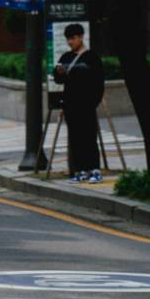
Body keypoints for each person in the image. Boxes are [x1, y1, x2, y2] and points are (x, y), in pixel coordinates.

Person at [52, 22, 105, 183]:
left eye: (73, 38)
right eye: (68, 39)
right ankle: (80, 170)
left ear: (81, 37)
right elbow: (59, 80)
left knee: (89, 137)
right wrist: (58, 72)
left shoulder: (92, 58)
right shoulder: (66, 57)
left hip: (87, 105)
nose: (70, 42)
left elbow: (99, 83)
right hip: (70, 105)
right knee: (75, 139)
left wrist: (93, 103)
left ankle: (94, 170)